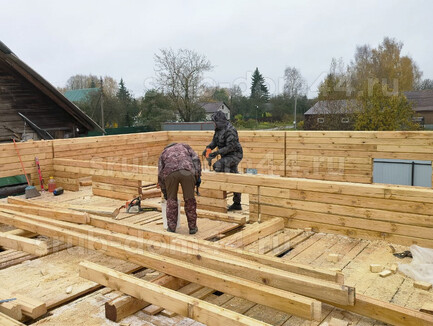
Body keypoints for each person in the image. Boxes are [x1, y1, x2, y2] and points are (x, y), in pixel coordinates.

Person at [203, 110, 243, 211]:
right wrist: (208, 148)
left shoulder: (230, 130)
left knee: (218, 166)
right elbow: (214, 142)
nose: (213, 124)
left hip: (235, 155)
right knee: (234, 177)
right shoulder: (218, 130)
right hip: (226, 155)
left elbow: (231, 147)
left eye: (214, 122)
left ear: (219, 121)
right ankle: (237, 203)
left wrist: (216, 153)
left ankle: (222, 196)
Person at [158, 143, 201, 234]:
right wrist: (197, 177)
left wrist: (165, 193)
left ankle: (171, 228)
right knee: (190, 199)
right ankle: (192, 228)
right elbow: (196, 160)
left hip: (170, 173)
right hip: (187, 172)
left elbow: (160, 174)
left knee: (171, 200)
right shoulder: (185, 147)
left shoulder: (164, 153)